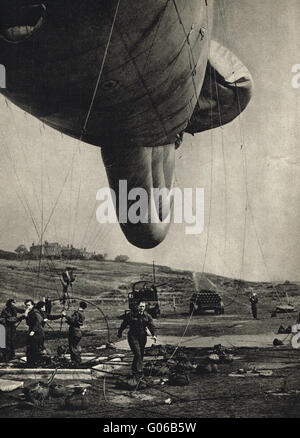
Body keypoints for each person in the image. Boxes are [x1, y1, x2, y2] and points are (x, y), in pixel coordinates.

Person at [117, 301, 157, 377]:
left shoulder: (147, 316)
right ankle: (139, 372)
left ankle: (134, 369)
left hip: (142, 336)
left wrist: (154, 335)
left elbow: (152, 326)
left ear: (145, 308)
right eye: (140, 306)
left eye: (143, 307)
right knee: (137, 352)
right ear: (137, 306)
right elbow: (124, 324)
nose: (141, 308)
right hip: (133, 336)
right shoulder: (130, 315)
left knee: (141, 353)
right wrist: (120, 332)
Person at [24, 300, 44, 367]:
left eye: (29, 305)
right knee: (31, 347)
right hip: (33, 331)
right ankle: (31, 363)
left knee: (36, 348)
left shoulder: (35, 312)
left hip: (37, 332)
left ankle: (37, 363)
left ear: (32, 305)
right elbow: (28, 323)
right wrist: (26, 316)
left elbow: (39, 321)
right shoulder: (30, 312)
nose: (27, 307)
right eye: (26, 305)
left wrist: (33, 330)